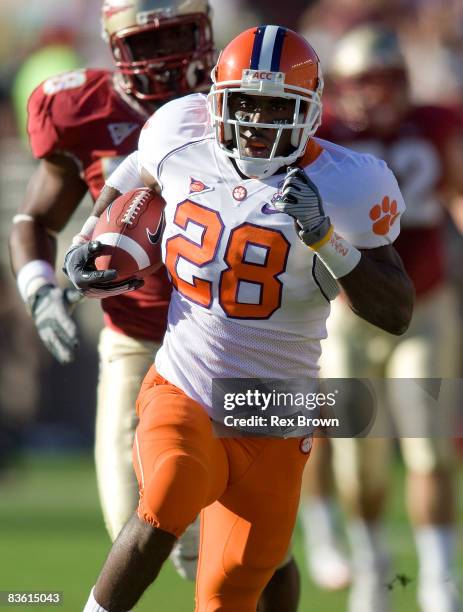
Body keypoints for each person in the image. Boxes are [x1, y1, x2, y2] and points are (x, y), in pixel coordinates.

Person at [64, 25, 414, 611]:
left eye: (278, 106)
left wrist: (325, 236)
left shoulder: (350, 182)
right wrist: (86, 235)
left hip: (275, 408)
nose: (257, 120)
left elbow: (396, 311)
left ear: (311, 110)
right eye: (244, 102)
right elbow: (134, 172)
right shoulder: (182, 131)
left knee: (235, 587)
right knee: (169, 492)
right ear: (216, 101)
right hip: (187, 380)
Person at [9, 0, 214, 580]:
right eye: (150, 43)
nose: (169, 59)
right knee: (132, 519)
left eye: (179, 36)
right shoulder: (83, 109)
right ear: (115, 47)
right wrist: (40, 289)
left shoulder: (237, 102)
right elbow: (35, 220)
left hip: (233, 338)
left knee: (251, 535)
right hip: (136, 337)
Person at [300, 25, 463, 612]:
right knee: (358, 458)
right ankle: (374, 567)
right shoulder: (329, 138)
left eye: (390, 78)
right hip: (350, 313)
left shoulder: (434, 126)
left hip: (425, 306)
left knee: (430, 447)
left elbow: (457, 190)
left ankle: (442, 578)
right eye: (366, 80)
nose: (380, 92)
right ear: (342, 87)